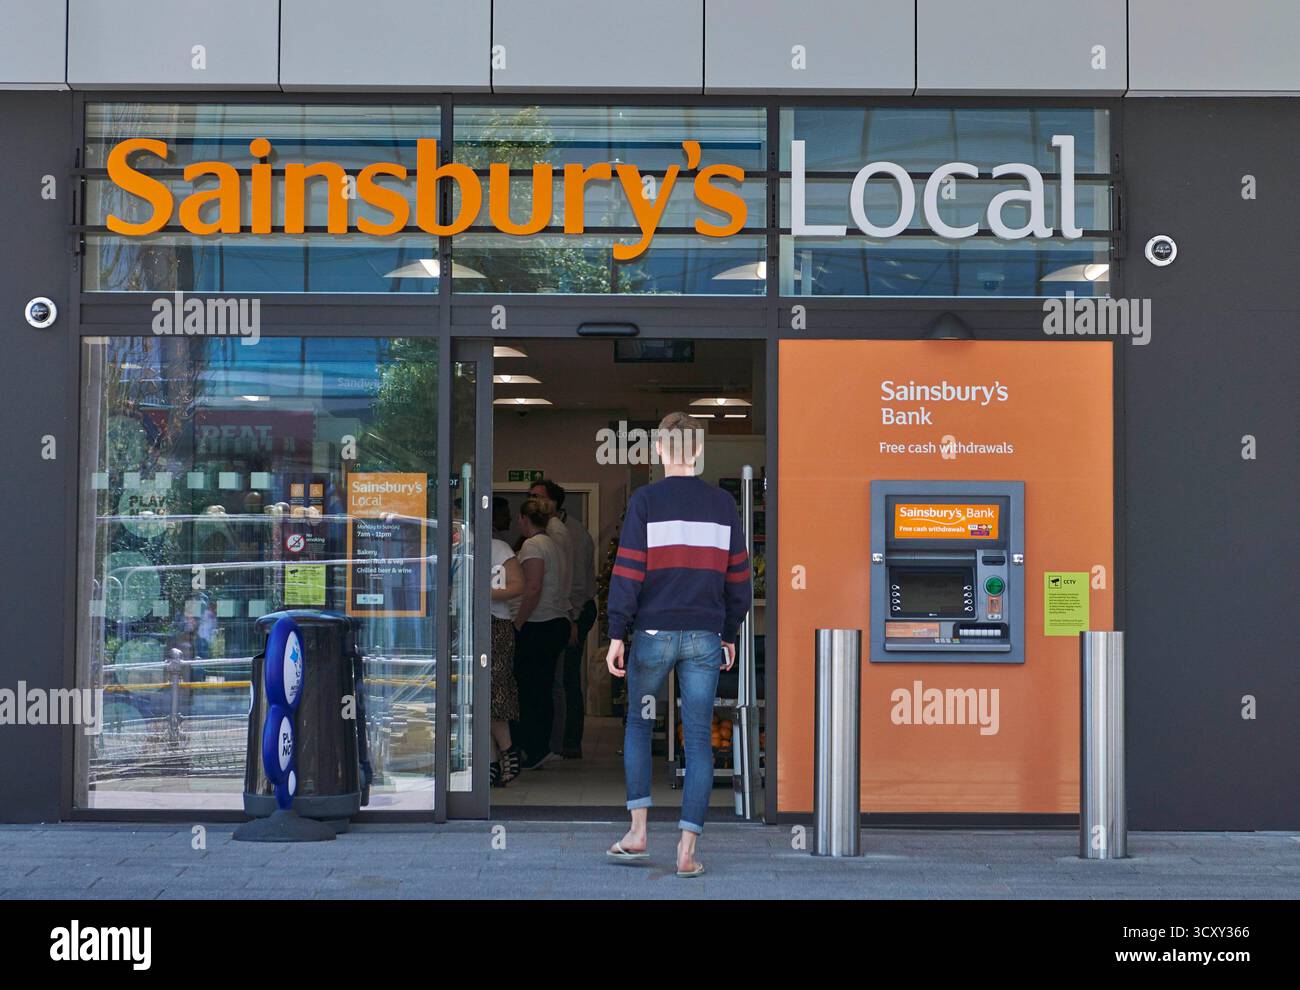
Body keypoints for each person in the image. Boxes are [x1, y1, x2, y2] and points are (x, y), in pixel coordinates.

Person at [604, 412, 750, 878]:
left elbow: (628, 572)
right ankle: (687, 849)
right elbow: (739, 580)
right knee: (700, 741)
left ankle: (638, 832)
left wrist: (615, 632)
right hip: (705, 639)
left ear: (661, 450)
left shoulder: (645, 501)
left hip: (652, 637)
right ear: (699, 451)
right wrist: (729, 632)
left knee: (640, 726)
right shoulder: (724, 505)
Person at [511, 497, 572, 771]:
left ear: (525, 519)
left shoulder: (533, 545)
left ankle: (532, 748)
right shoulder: (554, 545)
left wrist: (519, 622)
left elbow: (533, 587)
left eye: (519, 518)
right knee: (544, 688)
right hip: (557, 620)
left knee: (530, 689)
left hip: (539, 623)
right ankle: (543, 746)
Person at [489, 534, 525, 786]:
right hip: (459, 622)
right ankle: (492, 760)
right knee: (474, 696)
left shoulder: (498, 548)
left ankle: (507, 751)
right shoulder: (453, 544)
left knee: (494, 689)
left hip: (495, 623)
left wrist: (482, 593)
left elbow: (518, 585)